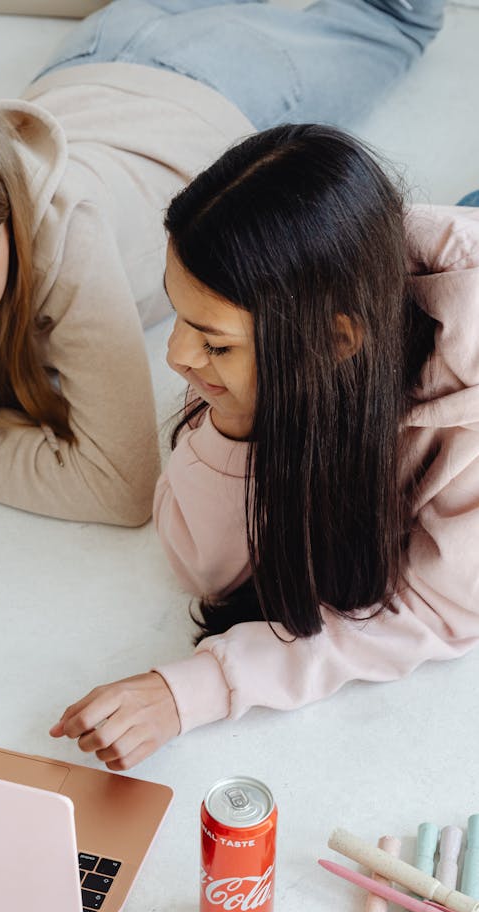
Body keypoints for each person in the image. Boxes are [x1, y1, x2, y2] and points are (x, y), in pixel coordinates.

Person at [0, 0, 445, 578]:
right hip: (96, 52)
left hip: (227, 84)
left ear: (11, 219)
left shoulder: (68, 228)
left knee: (403, 12)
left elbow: (121, 484)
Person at [51, 124, 479, 771]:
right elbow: (201, 565)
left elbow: (437, 611)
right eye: (178, 316)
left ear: (338, 341)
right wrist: (235, 425)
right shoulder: (306, 296)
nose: (174, 357)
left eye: (214, 343)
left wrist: (197, 689)